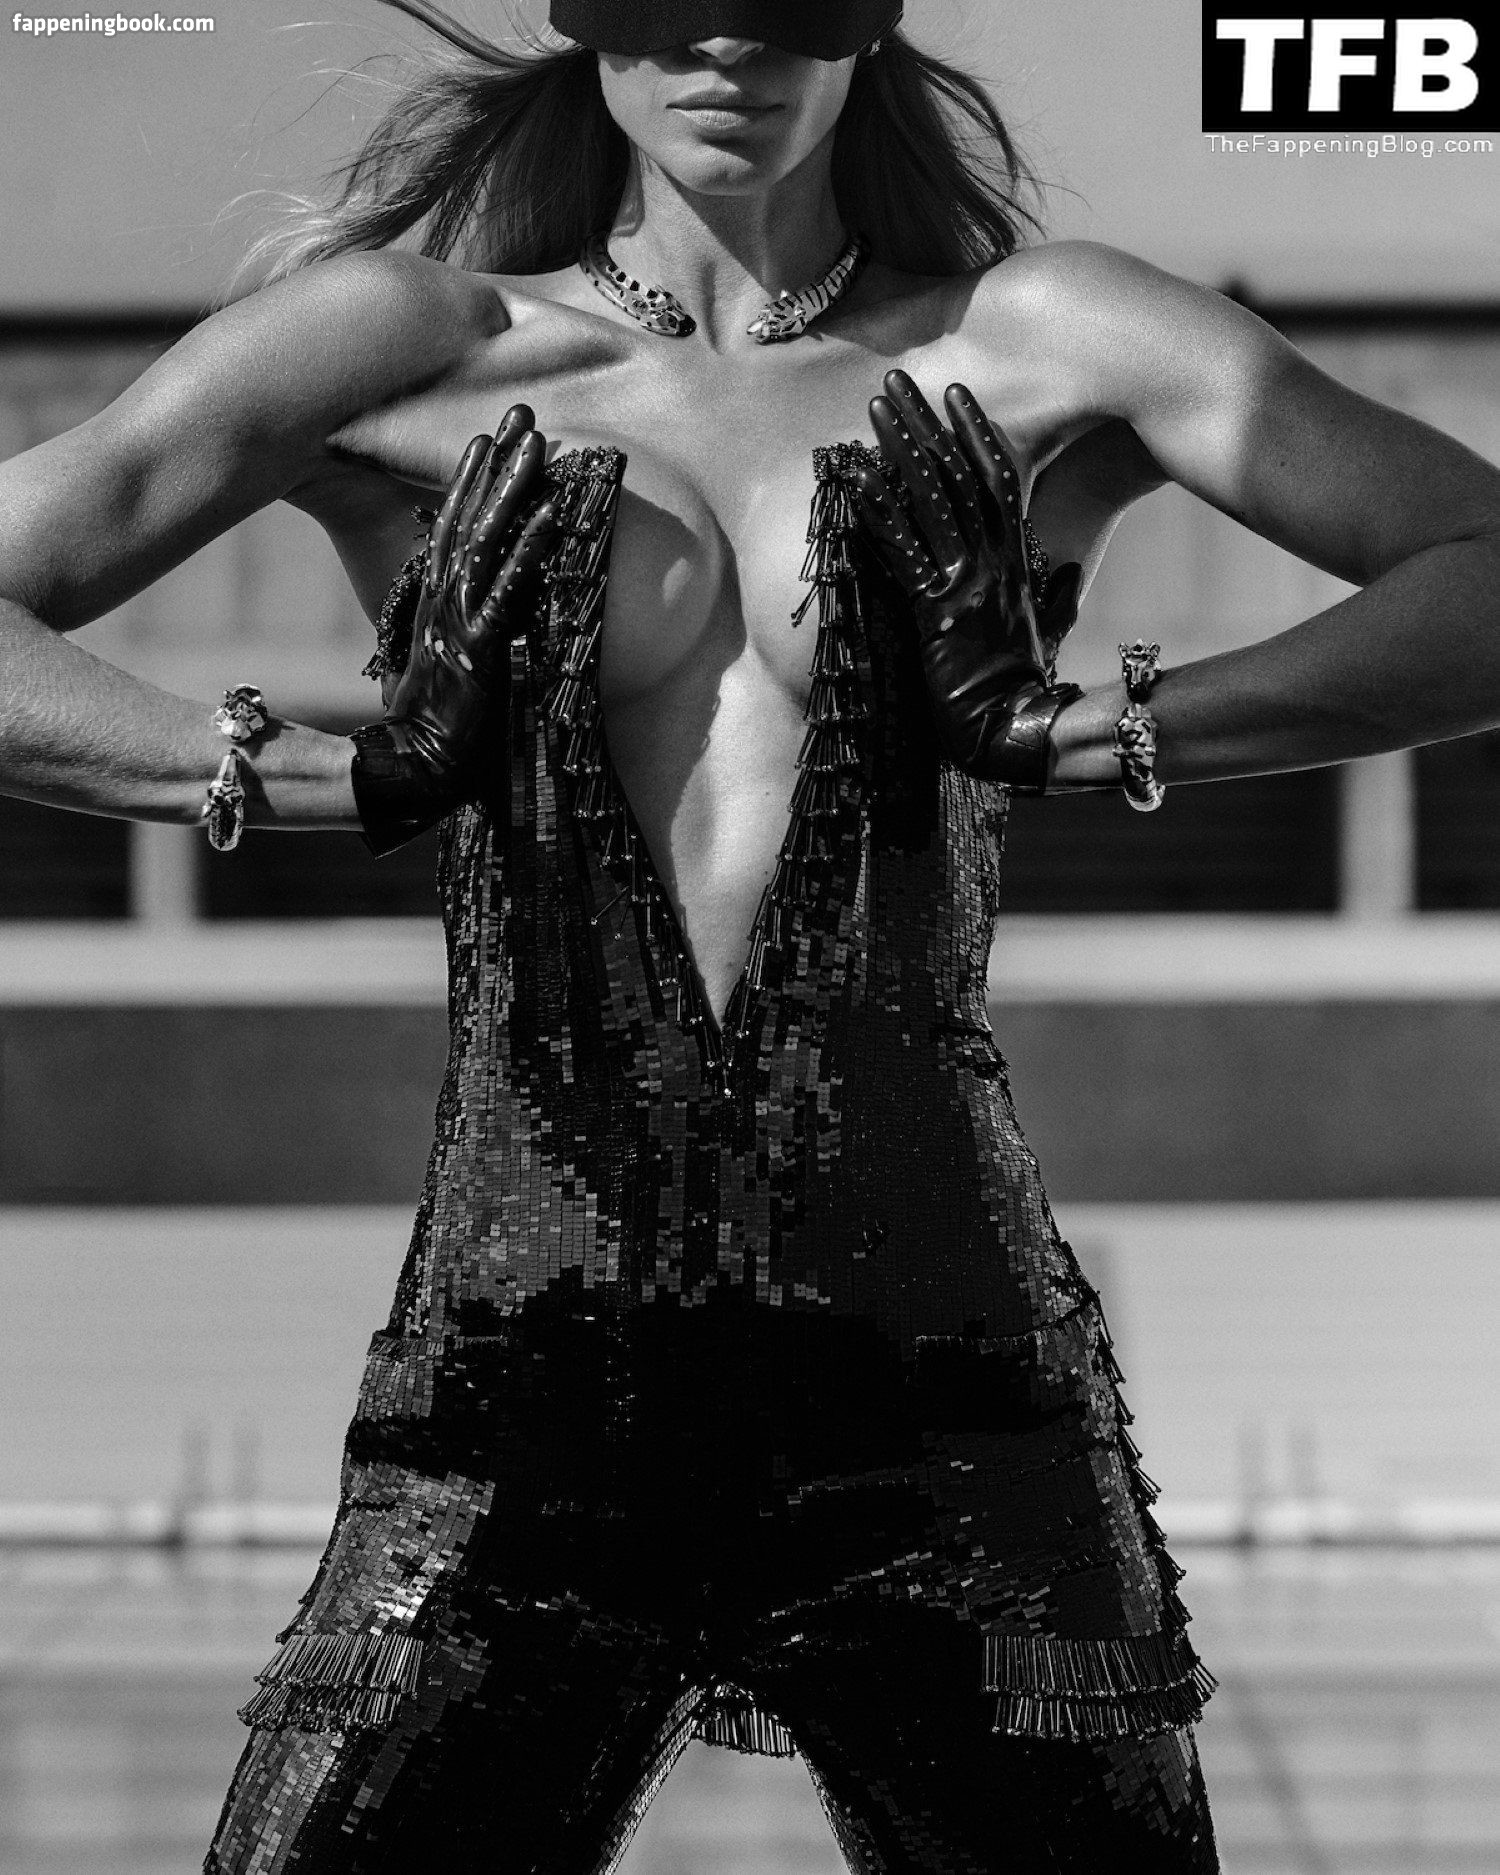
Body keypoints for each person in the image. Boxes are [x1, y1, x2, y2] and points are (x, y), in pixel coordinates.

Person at [2, 1, 1498, 1869]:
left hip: (947, 1394)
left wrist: (1086, 727)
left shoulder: (1044, 341)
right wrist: (346, 774)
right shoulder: (400, 346)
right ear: (585, 19)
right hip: (511, 1400)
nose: (727, 38)